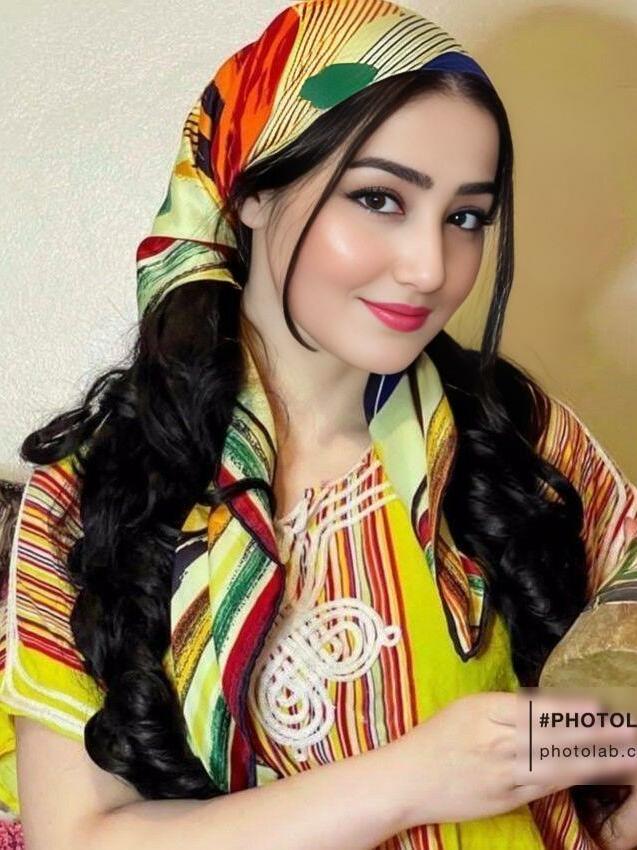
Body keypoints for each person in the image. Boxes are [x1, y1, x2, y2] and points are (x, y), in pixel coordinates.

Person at [1, 1, 636, 848]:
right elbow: (78, 836)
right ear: (253, 192)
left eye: (465, 217)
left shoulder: (512, 435)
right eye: (378, 198)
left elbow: (610, 731)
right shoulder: (100, 487)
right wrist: (411, 778)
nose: (429, 267)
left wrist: (586, 762)